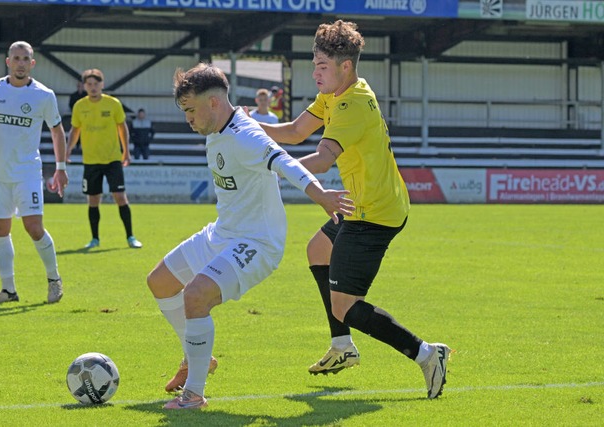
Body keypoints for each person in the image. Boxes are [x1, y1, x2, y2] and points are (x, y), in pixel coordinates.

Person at [257, 20, 451, 400]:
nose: (315, 72)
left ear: (346, 66)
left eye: (322, 66)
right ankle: (343, 347)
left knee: (345, 305)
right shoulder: (332, 94)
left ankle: (428, 354)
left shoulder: (353, 104)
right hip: (361, 204)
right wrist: (245, 125)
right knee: (317, 251)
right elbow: (296, 131)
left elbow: (323, 159)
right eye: (314, 64)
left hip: (374, 214)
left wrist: (269, 164)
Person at [146, 63, 354, 410]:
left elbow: (285, 162)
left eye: (191, 110)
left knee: (196, 297)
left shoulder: (246, 134)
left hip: (257, 243)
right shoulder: (217, 125)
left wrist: (320, 195)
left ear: (213, 103)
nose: (189, 120)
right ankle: (196, 357)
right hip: (222, 232)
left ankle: (194, 395)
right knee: (160, 282)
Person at [0, 41, 67, 304]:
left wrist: (61, 167)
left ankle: (54, 280)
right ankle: (8, 290)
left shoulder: (44, 95)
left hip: (27, 173)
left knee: (34, 227)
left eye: (25, 59)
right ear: (8, 62)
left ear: (32, 64)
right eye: (16, 58)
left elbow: (57, 130)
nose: (20, 63)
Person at [66, 68, 142, 250]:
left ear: (102, 84)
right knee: (93, 200)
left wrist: (126, 151)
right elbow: (75, 130)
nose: (92, 87)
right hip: (91, 161)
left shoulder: (113, 104)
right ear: (84, 86)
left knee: (120, 197)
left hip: (112, 159)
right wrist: (67, 151)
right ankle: (95, 239)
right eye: (89, 84)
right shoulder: (79, 106)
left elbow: (122, 128)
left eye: (96, 84)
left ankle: (131, 237)